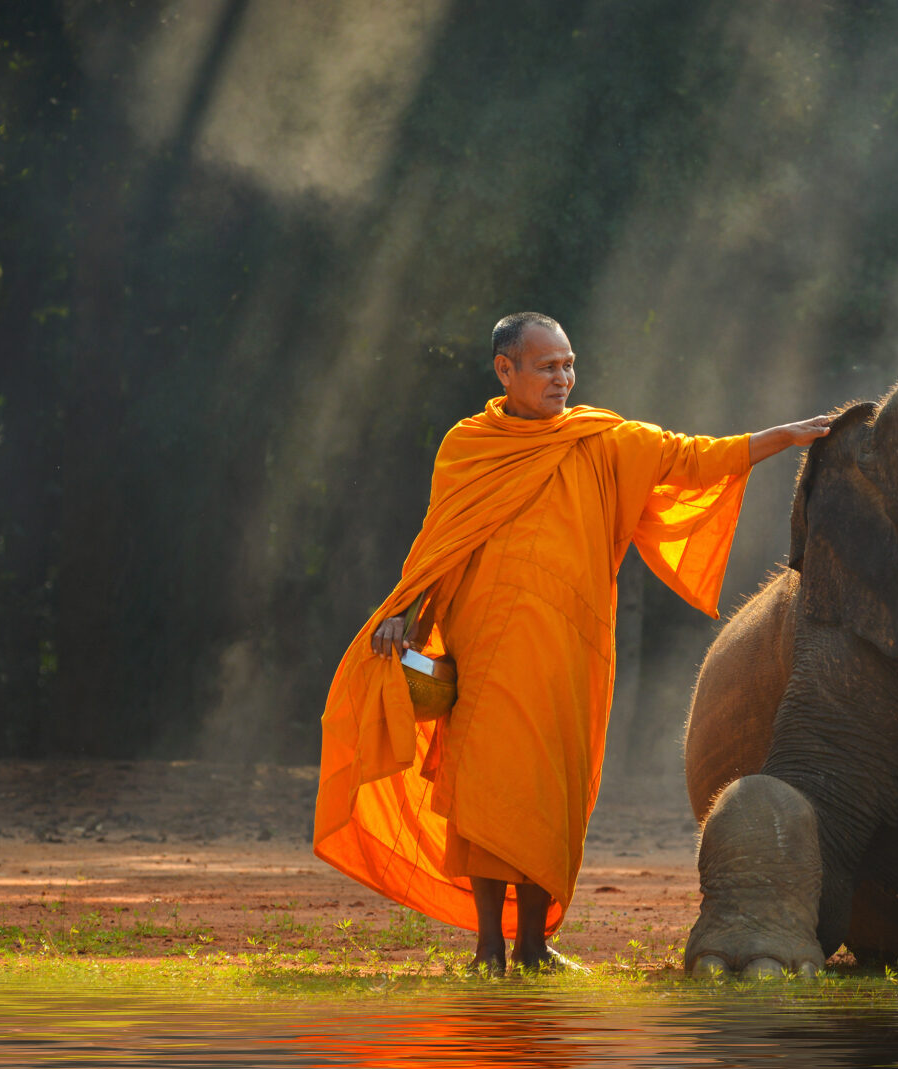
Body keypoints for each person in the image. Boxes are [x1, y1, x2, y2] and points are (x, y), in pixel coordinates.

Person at [313, 312, 830, 972]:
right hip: (488, 642)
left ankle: (533, 944)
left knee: (551, 794)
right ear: (506, 370)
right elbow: (440, 538)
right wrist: (404, 612)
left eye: (568, 365)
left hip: (569, 646)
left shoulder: (601, 440)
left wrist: (782, 437)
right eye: (547, 367)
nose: (563, 378)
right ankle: (488, 948)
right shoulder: (468, 444)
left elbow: (691, 456)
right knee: (488, 791)